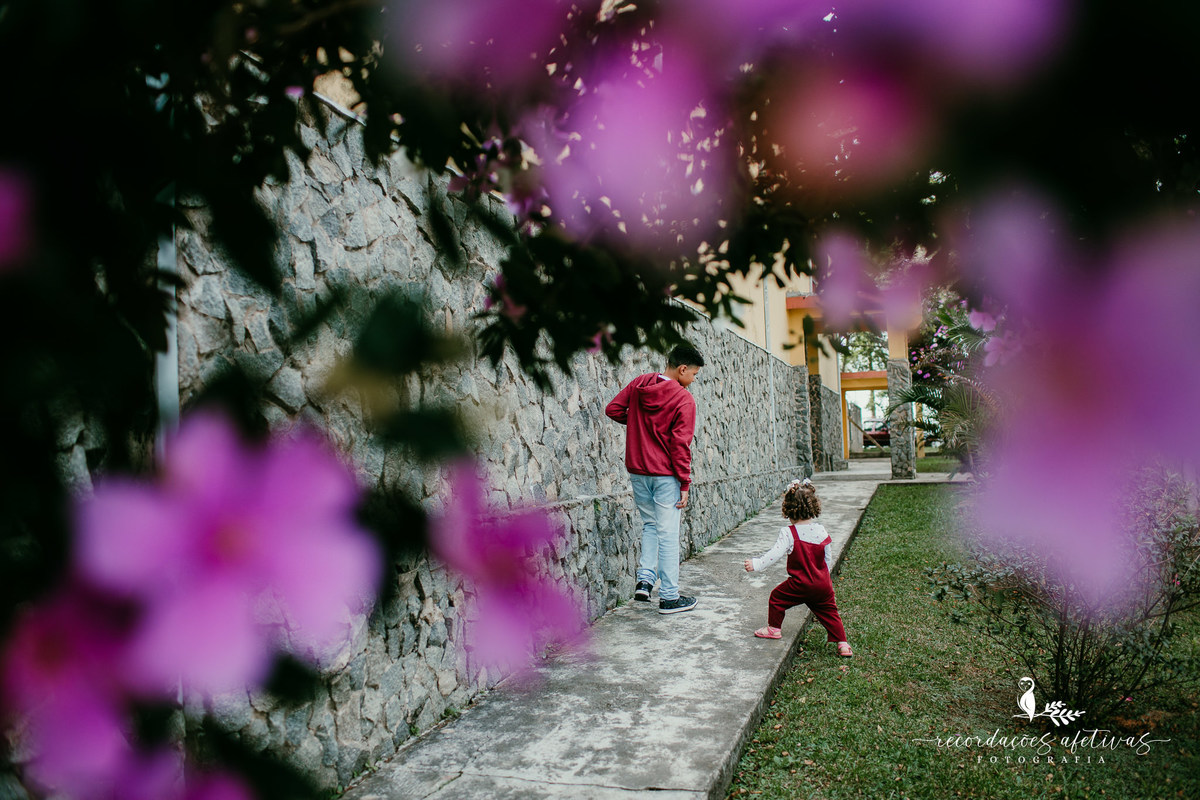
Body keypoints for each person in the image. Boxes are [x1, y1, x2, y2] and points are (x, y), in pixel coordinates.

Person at [605, 344, 705, 614]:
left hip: (637, 472)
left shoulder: (642, 382)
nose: (694, 380)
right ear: (682, 369)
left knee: (650, 525)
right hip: (664, 476)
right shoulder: (684, 400)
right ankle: (670, 597)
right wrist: (684, 483)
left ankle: (645, 580)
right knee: (668, 534)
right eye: (694, 375)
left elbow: (613, 409)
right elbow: (680, 446)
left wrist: (639, 423)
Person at [743, 479, 852, 656]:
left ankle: (774, 629)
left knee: (777, 598)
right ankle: (843, 644)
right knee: (831, 612)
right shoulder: (821, 530)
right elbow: (827, 557)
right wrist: (823, 576)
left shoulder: (789, 533)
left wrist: (756, 564)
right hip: (822, 584)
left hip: (800, 584)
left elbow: (775, 554)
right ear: (813, 508)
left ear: (788, 510)